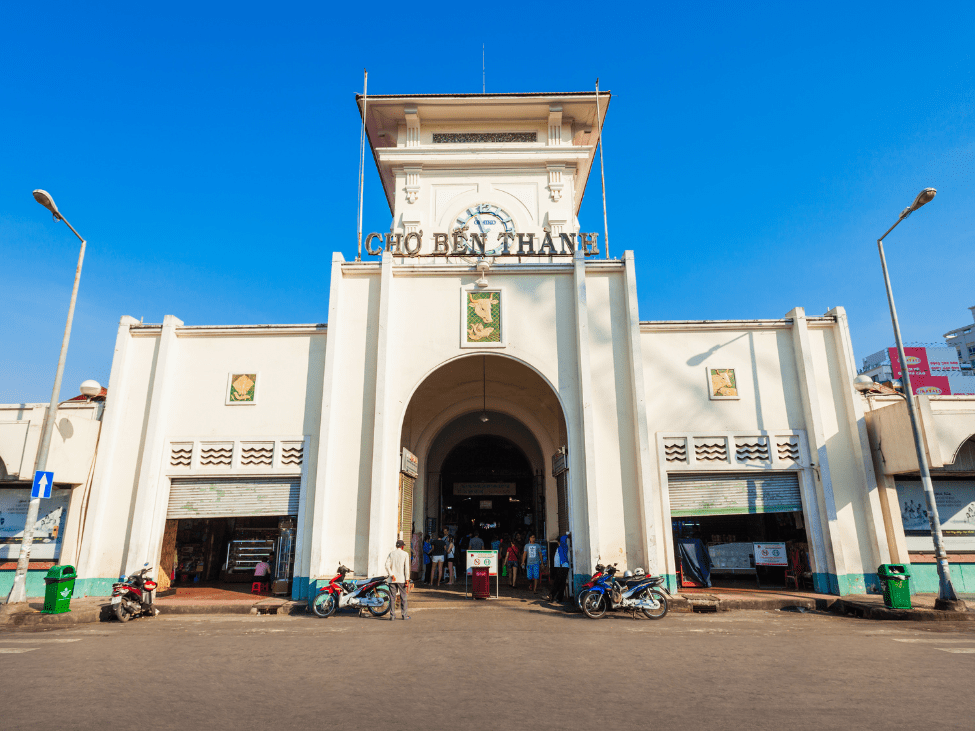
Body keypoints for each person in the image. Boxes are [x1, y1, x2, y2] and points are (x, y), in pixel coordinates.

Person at [384, 539, 411, 620]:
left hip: (392, 579)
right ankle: (404, 615)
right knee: (403, 597)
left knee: (392, 597)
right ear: (402, 546)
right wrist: (407, 579)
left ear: (396, 546)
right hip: (401, 579)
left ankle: (392, 615)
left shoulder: (391, 554)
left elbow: (387, 565)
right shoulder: (405, 554)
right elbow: (406, 568)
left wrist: (391, 574)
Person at [548, 535, 570, 602]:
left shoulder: (563, 546)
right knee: (559, 582)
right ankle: (553, 595)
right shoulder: (562, 547)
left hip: (562, 567)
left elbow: (563, 538)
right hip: (561, 566)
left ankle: (555, 596)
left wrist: (567, 535)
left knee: (559, 582)